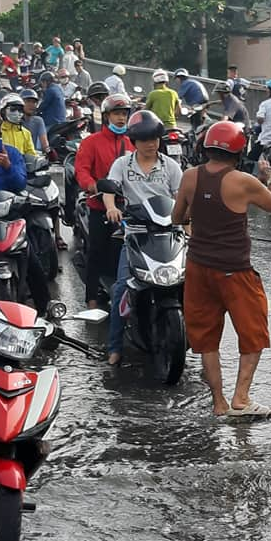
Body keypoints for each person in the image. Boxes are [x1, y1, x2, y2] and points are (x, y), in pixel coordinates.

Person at [174, 120, 271, 417]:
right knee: (253, 334)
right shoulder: (243, 181)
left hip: (198, 268)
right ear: (240, 150)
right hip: (234, 271)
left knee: (207, 339)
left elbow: (177, 218)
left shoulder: (189, 177)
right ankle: (241, 398)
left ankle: (219, 404)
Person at [101, 112, 183, 365]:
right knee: (122, 288)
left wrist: (188, 219)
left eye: (155, 138)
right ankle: (115, 347)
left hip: (168, 231)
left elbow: (180, 197)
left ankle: (199, 340)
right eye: (145, 139)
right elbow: (109, 190)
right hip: (135, 232)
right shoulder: (122, 164)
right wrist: (111, 207)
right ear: (134, 141)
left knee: (190, 283)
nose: (151, 144)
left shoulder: (171, 166)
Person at [76, 98, 137, 308]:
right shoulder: (91, 142)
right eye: (116, 113)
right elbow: (82, 170)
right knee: (96, 253)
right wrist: (93, 186)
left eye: (124, 114)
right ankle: (91, 300)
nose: (121, 118)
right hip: (99, 207)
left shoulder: (131, 143)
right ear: (106, 116)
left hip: (127, 208)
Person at [0, 92, 42, 167]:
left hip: (21, 171)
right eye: (13, 109)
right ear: (3, 111)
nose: (17, 112)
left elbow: (31, 154)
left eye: (20, 110)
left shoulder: (26, 133)